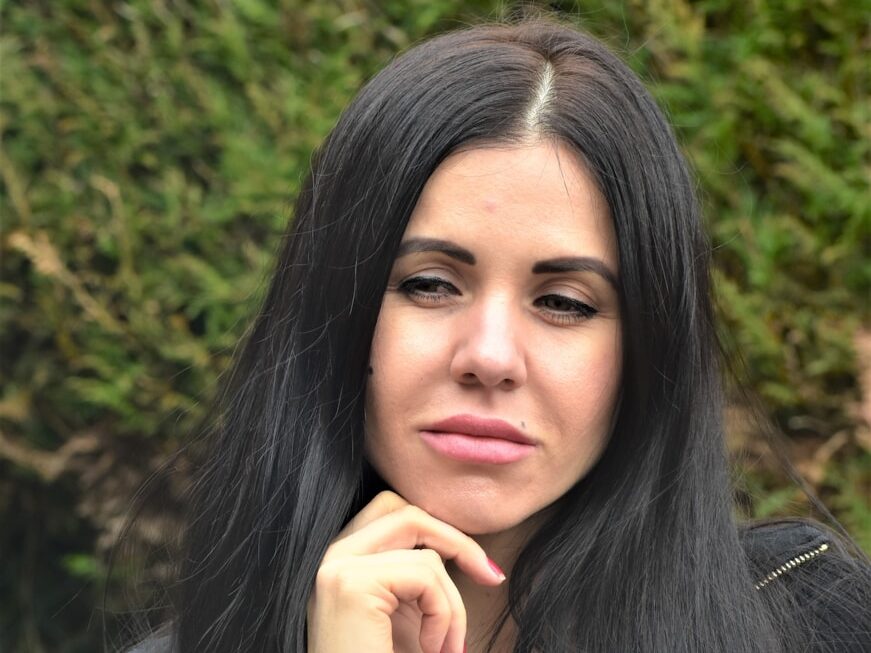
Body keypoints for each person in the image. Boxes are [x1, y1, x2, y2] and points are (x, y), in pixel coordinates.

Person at [127, 18, 870, 653]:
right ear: (334, 313)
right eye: (428, 284)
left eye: (564, 302)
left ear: (648, 350)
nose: (487, 355)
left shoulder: (809, 619)